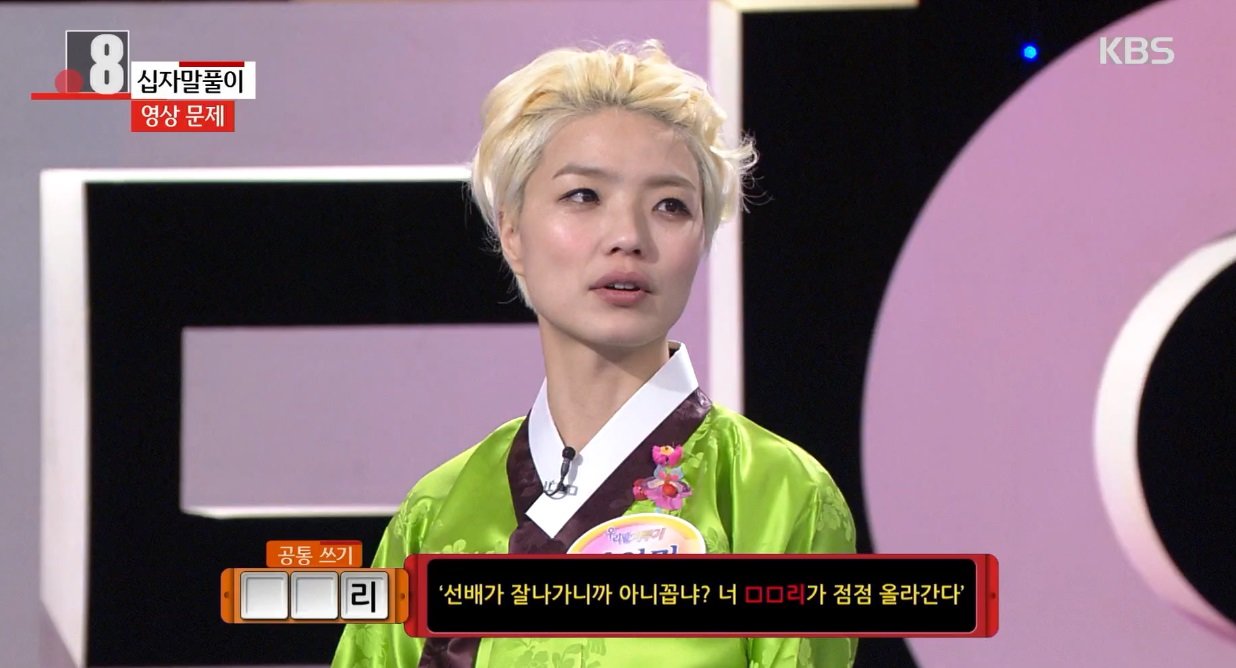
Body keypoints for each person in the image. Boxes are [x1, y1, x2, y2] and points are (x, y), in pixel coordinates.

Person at [331, 39, 857, 668]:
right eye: (583, 196)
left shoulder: (773, 492)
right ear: (513, 231)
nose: (628, 236)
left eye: (670, 206)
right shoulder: (435, 512)